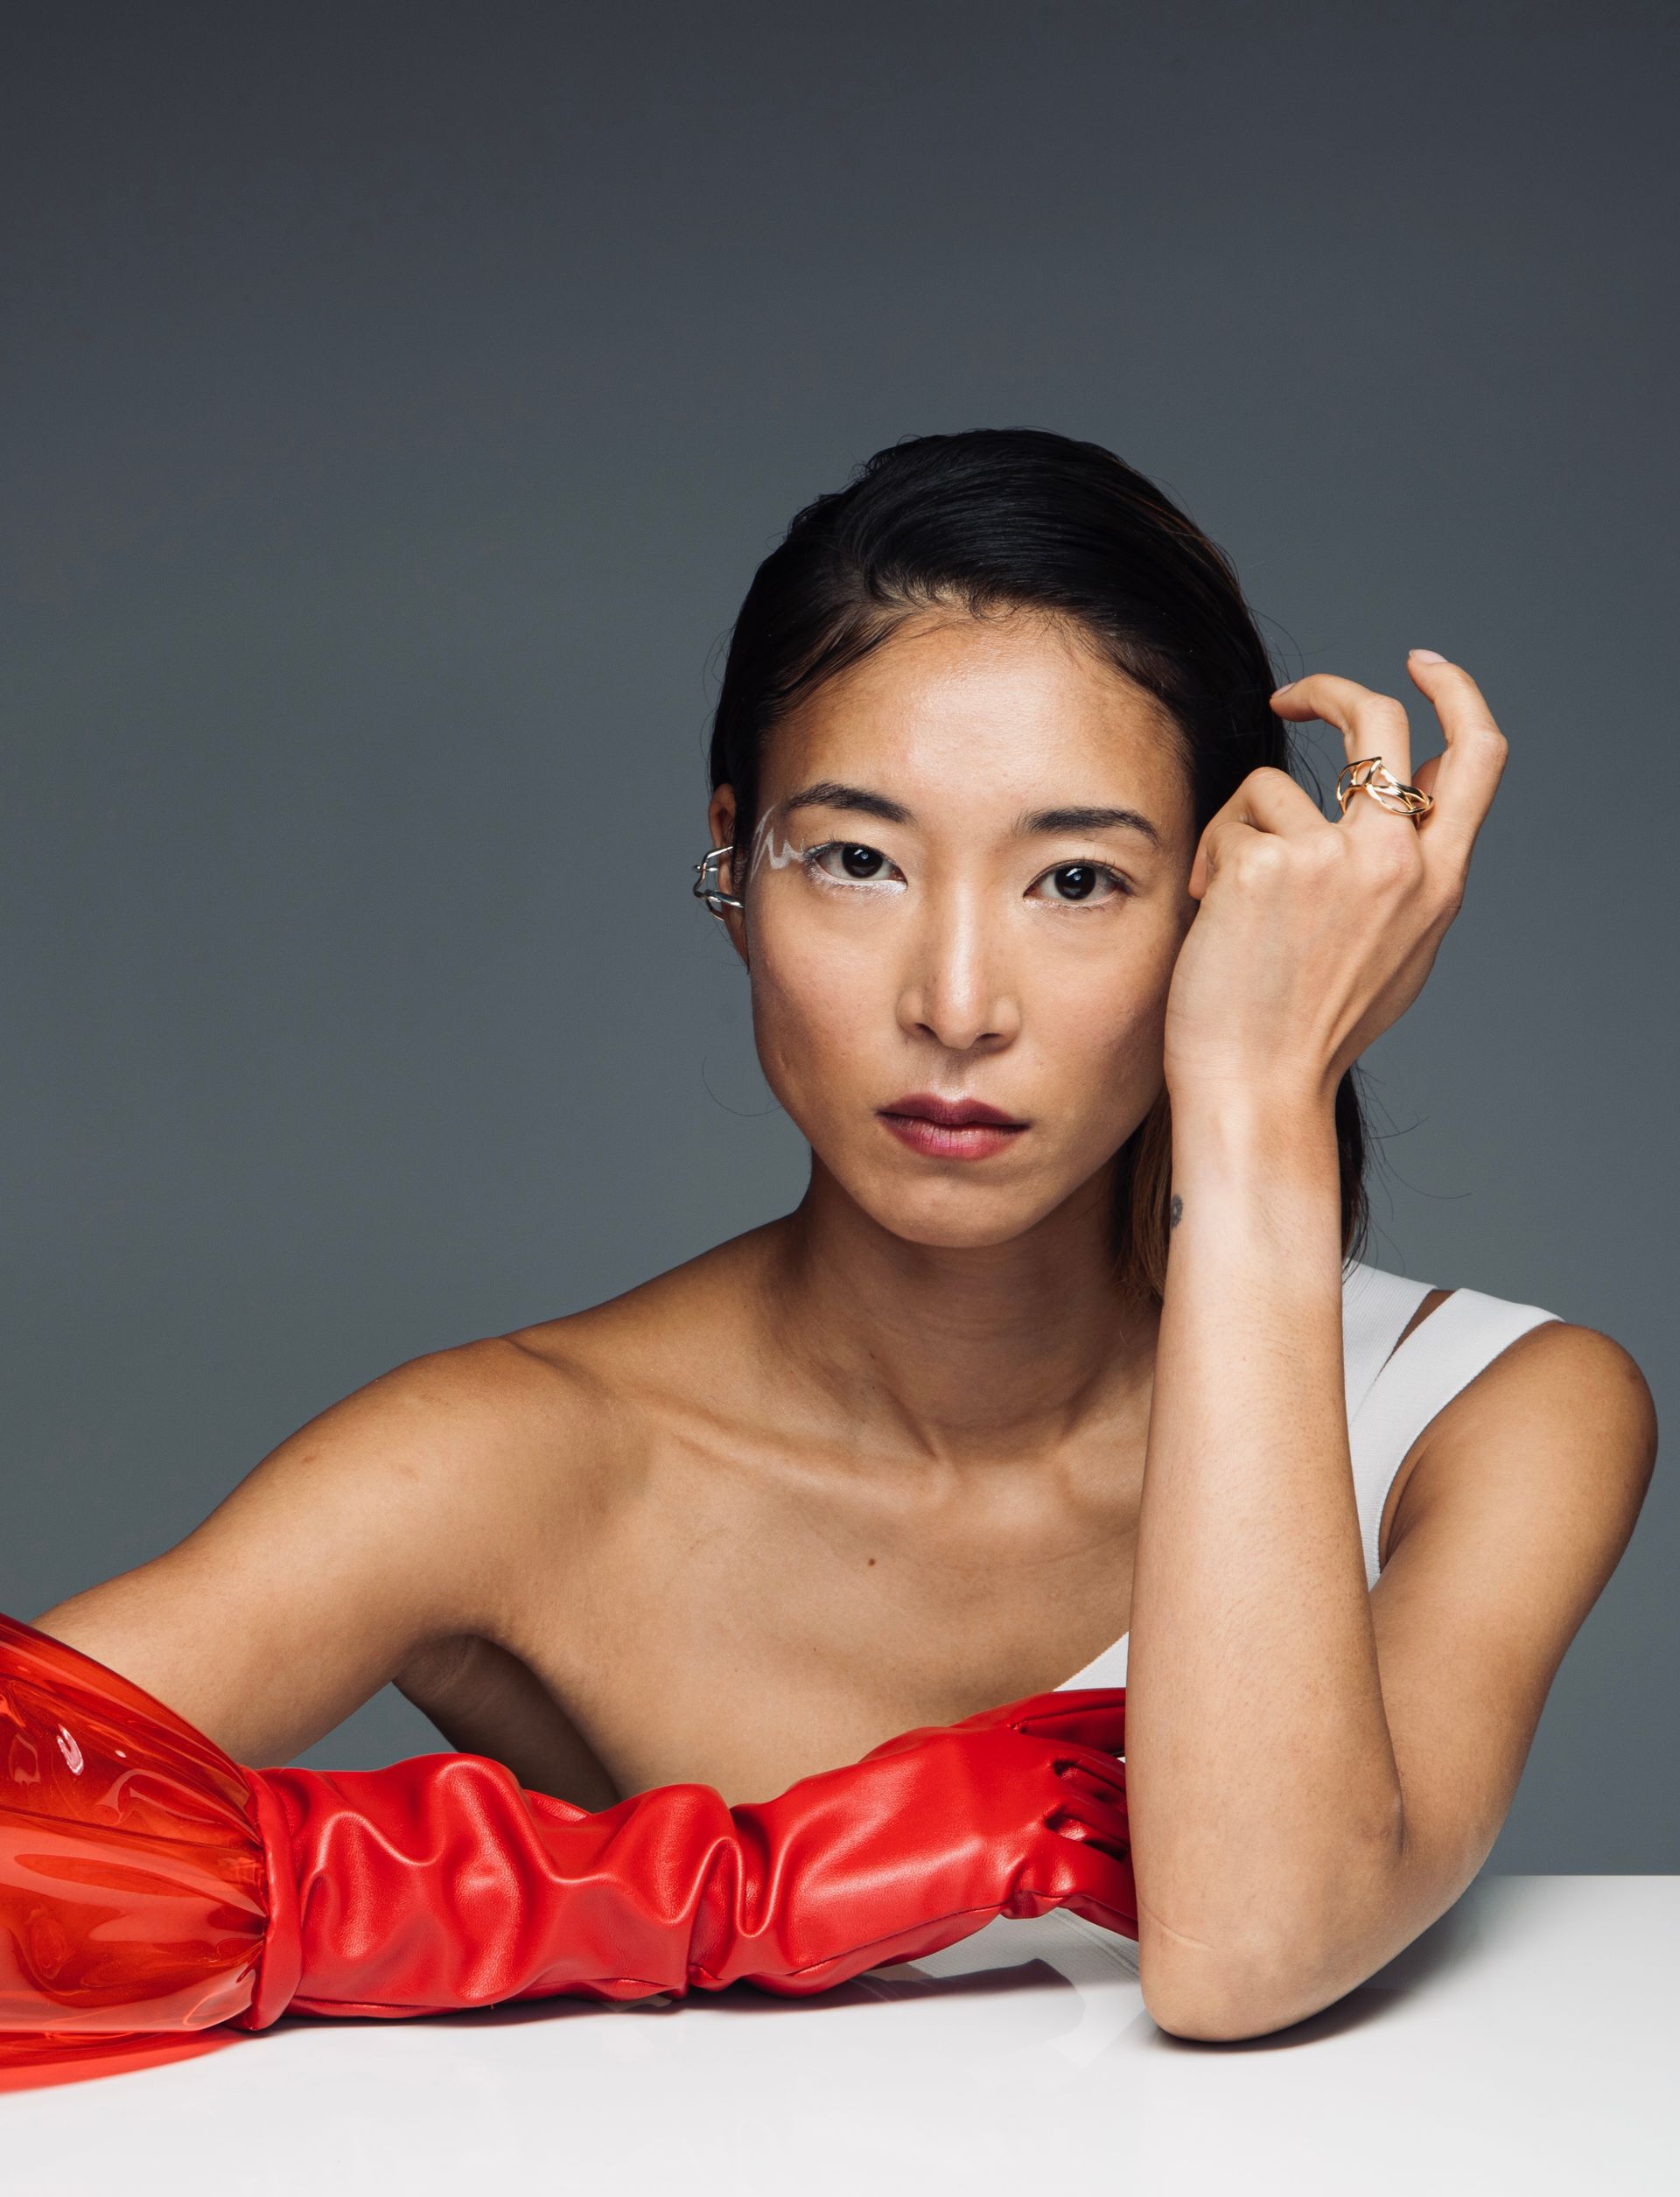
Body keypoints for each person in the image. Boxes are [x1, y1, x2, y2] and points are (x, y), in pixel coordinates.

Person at [24, 428, 1656, 2046]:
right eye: (859, 861)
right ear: (735, 869)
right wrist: (741, 1893)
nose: (957, 1003)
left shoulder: (1493, 1415)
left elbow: (1252, 1945)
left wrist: (1256, 1104)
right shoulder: (507, 1462)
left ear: (1223, 902)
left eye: (1077, 881)